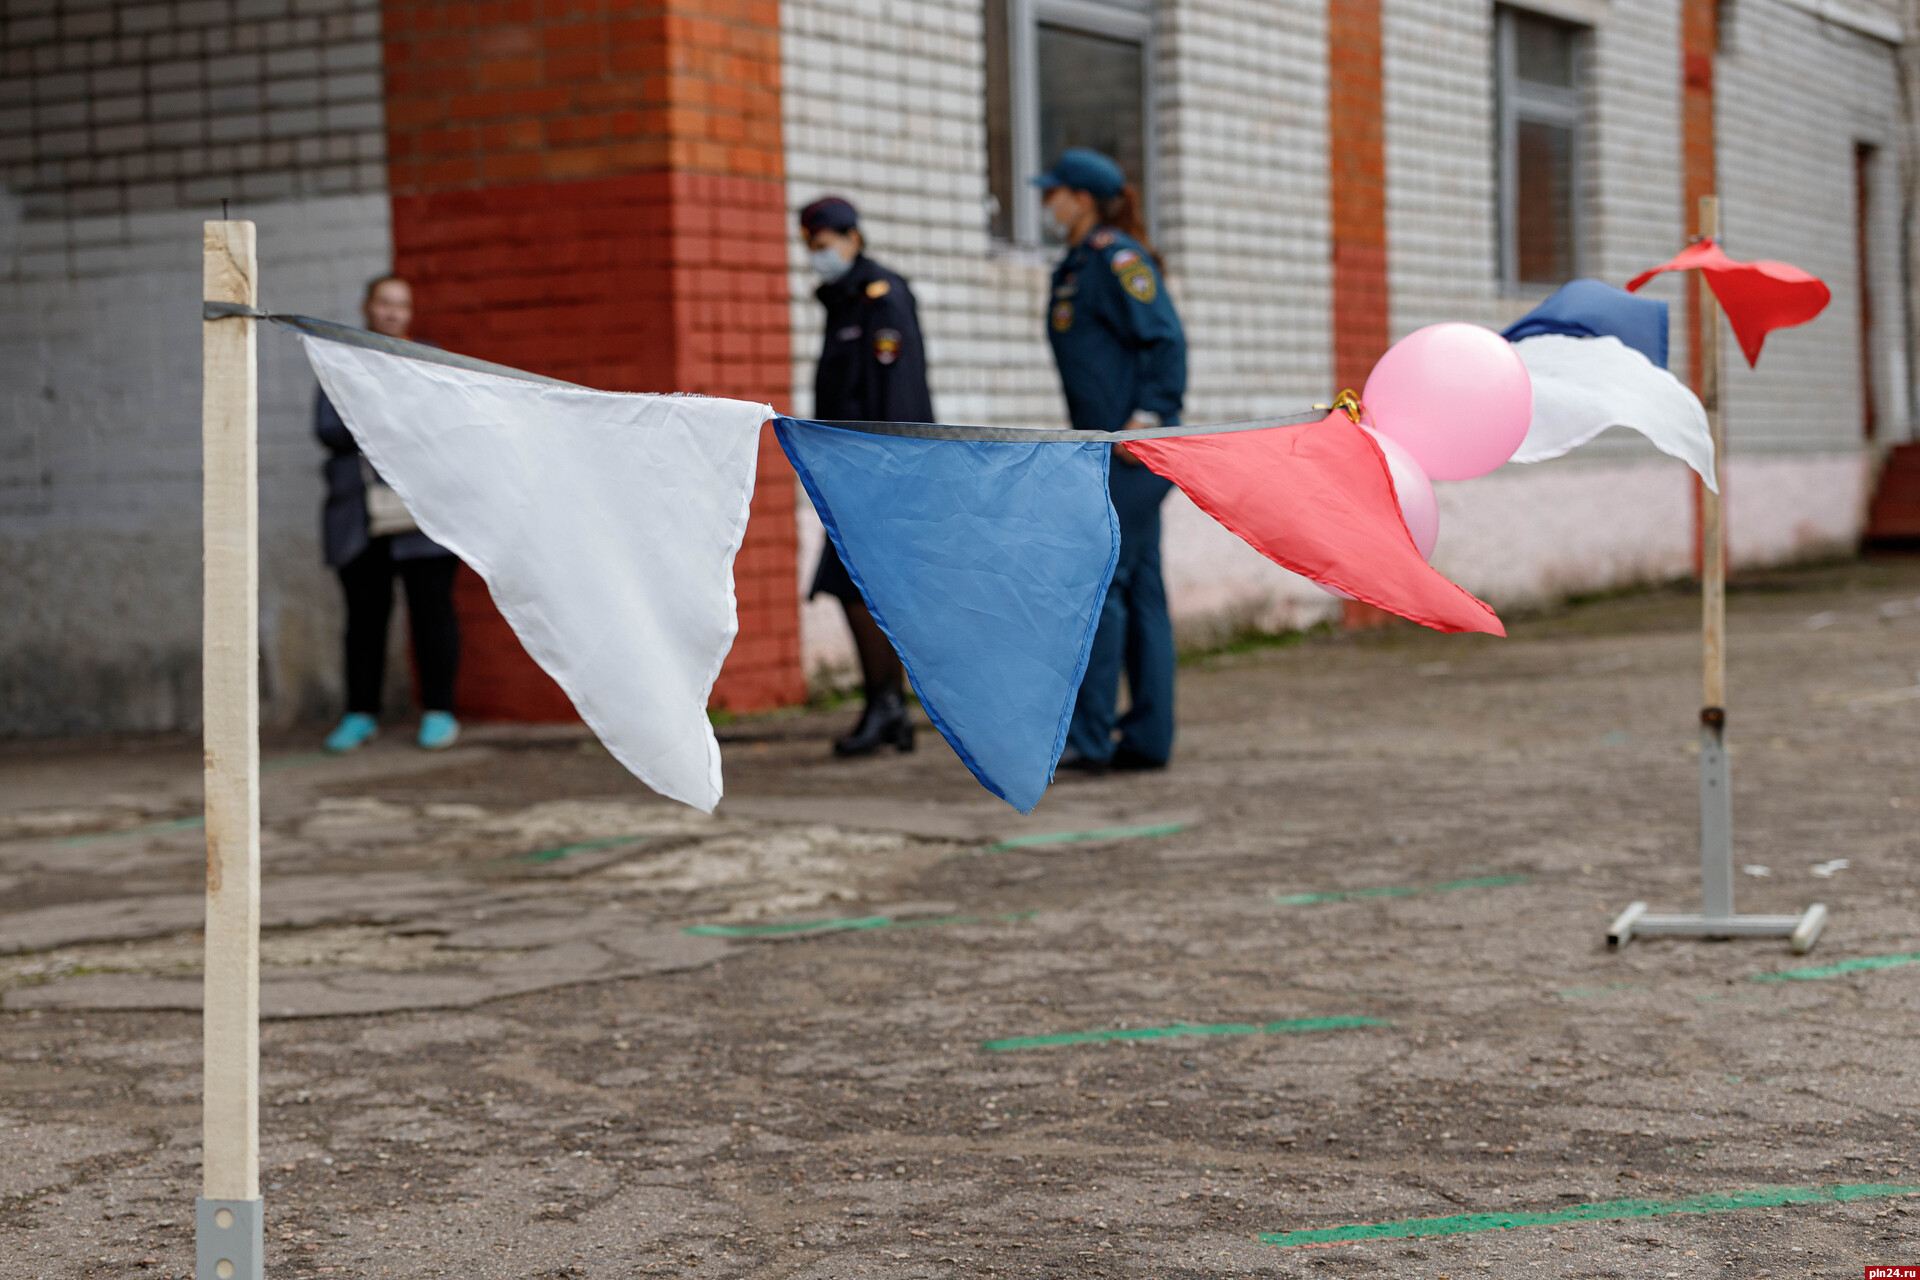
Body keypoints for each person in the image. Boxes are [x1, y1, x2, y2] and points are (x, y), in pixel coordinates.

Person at [1034, 148, 1187, 775]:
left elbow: (1166, 338)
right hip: (1109, 449)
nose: (1047, 204)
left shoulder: (1118, 258)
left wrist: (1148, 417)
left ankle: (1091, 737)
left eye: (1054, 192)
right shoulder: (1078, 263)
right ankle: (1149, 738)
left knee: (1102, 580)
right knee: (1140, 584)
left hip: (1134, 448)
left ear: (1083, 197)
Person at [798, 195, 935, 756]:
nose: (816, 253)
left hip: (882, 470)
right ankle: (889, 710)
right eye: (810, 244)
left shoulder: (881, 297)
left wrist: (890, 470)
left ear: (853, 238)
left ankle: (887, 707)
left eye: (825, 242)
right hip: (853, 471)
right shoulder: (844, 300)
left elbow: (896, 390)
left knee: (853, 584)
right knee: (859, 585)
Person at [315, 275, 462, 753]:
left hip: (424, 515)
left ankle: (439, 712)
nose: (393, 313)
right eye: (385, 303)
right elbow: (329, 428)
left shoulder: (427, 360)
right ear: (367, 307)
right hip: (359, 518)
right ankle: (360, 715)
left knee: (432, 613)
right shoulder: (340, 358)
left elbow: (440, 423)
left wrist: (373, 414)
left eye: (402, 305)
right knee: (364, 619)